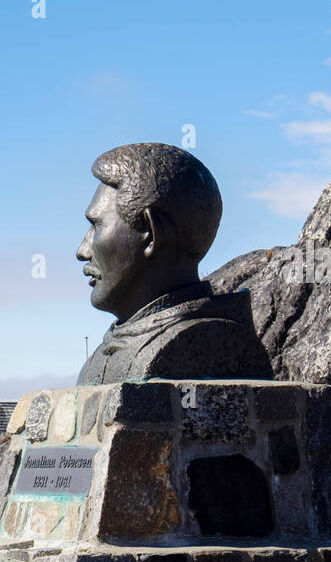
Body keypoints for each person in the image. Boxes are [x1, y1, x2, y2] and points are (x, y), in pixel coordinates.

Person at [76, 143, 272, 384]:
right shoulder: (105, 354)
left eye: (96, 226)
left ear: (150, 233)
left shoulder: (204, 344)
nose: (82, 251)